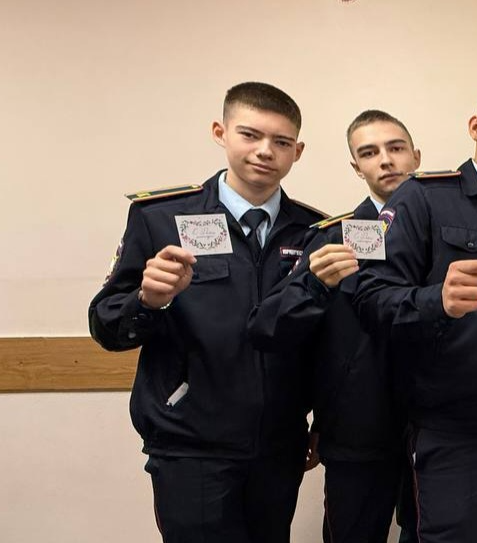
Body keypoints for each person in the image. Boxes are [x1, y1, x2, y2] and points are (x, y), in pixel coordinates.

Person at [89, 82, 325, 543]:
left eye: (281, 142)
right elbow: (106, 324)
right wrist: (147, 301)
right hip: (190, 444)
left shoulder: (313, 230)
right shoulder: (161, 217)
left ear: (297, 151)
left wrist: (325, 423)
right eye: (250, 135)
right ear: (221, 132)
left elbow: (321, 340)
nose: (265, 151)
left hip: (278, 445)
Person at [354, 77, 477, 543]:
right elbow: (370, 298)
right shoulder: (424, 197)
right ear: (476, 126)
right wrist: (435, 301)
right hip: (453, 436)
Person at [247, 110, 422, 543]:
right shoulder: (330, 238)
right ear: (356, 166)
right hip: (356, 429)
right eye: (370, 152)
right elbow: (272, 328)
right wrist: (313, 283)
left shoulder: (446, 232)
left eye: (396, 148)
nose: (386, 160)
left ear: (416, 157)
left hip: (436, 426)